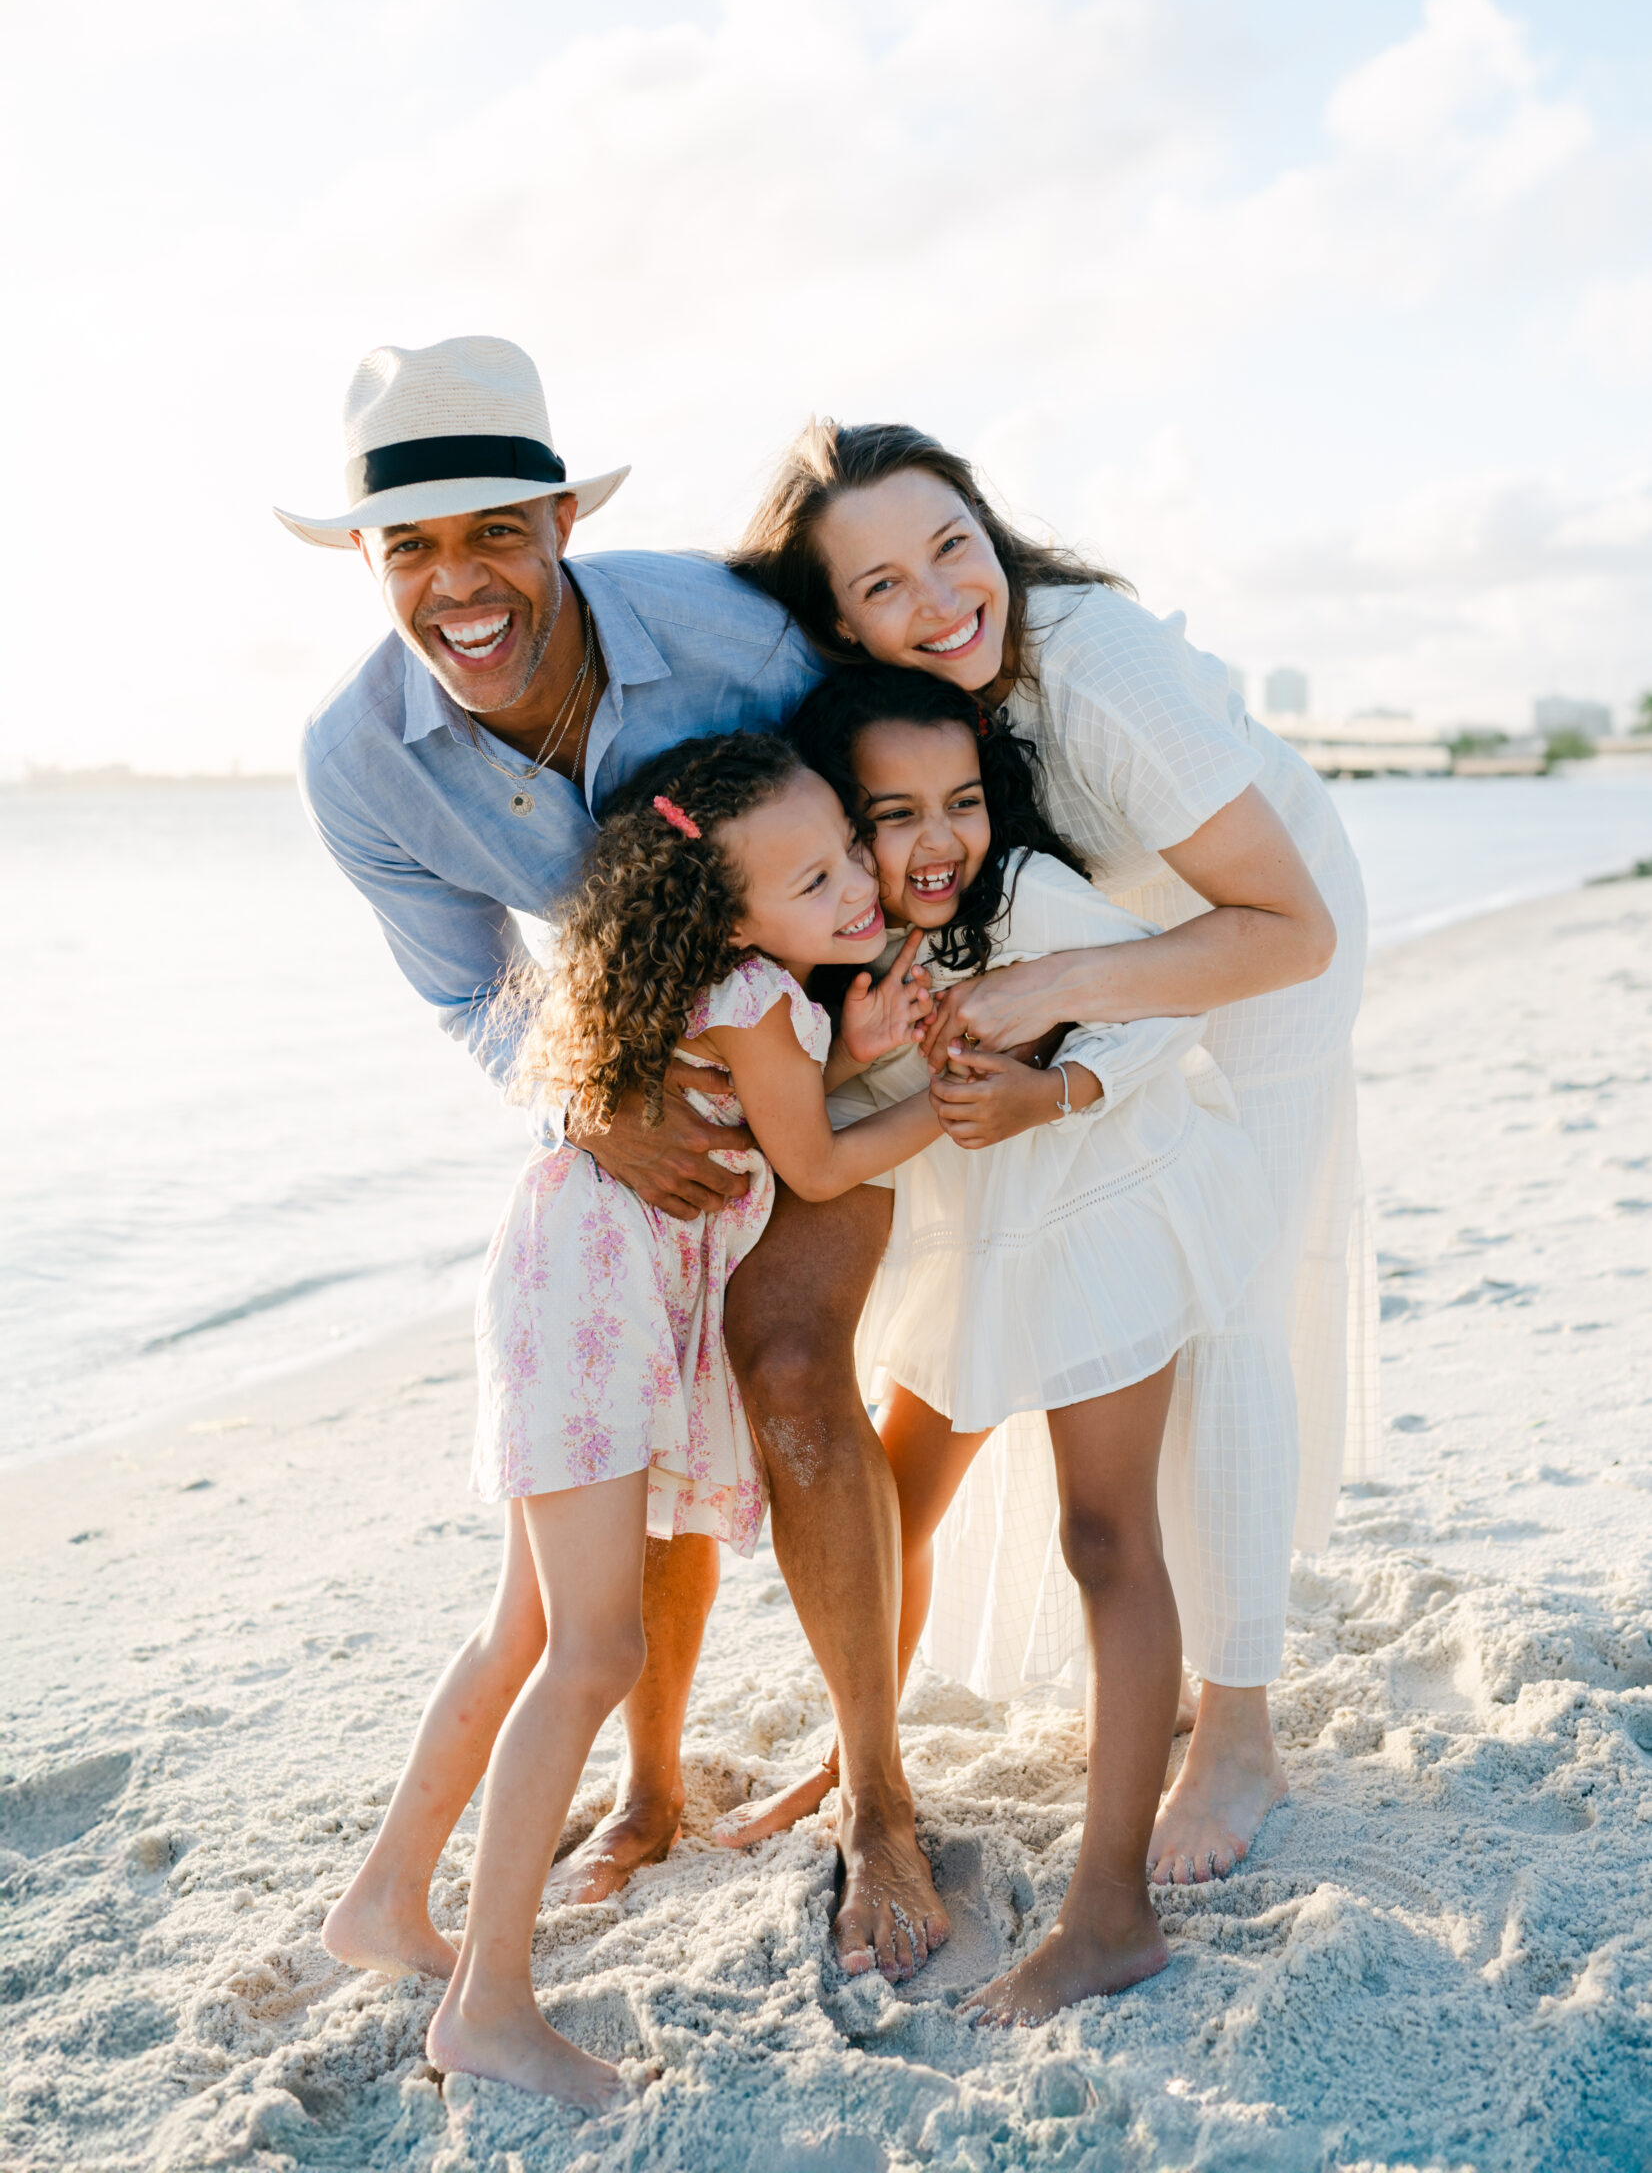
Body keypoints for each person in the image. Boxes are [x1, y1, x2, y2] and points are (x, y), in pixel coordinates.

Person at [281, 337, 948, 1981]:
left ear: (563, 519)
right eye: (412, 548)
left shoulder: (732, 634)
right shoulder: (357, 760)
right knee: (638, 1437)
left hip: (833, 1038)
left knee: (788, 1367)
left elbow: (901, 755)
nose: (462, 585)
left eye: (495, 530)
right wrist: (593, 1106)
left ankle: (878, 1802)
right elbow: (469, 992)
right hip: (628, 1117)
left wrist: (907, 1009)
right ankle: (646, 1792)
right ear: (371, 564)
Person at [730, 419, 1378, 1886]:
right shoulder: (882, 715)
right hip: (1084, 937)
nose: (942, 598)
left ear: (992, 526)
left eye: (956, 544)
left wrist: (1055, 999)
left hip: (1260, 925)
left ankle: (1240, 1728)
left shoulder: (1098, 670)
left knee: (1228, 1301)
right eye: (884, 583)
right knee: (995, 1285)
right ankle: (873, 1725)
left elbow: (1286, 930)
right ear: (839, 625)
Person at [328, 732, 941, 2103]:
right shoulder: (767, 1000)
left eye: (850, 852)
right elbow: (821, 1158)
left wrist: (846, 1055)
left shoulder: (698, 984)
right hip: (601, 1307)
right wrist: (940, 1106)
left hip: (557, 1276)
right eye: (814, 878)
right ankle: (490, 2003)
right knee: (592, 1649)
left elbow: (766, 1119)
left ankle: (382, 1900)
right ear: (733, 913)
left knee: (526, 1630)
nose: (855, 889)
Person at [775, 666, 1277, 2020]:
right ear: (840, 822)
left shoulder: (1032, 902)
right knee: (891, 1501)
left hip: (1103, 1203)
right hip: (978, 1247)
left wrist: (1049, 1088)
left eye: (963, 802)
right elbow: (819, 1106)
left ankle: (1110, 1908)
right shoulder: (838, 938)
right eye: (896, 814)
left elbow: (1172, 1011)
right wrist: (851, 1054)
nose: (939, 842)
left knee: (1104, 1538)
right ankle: (861, 1761)